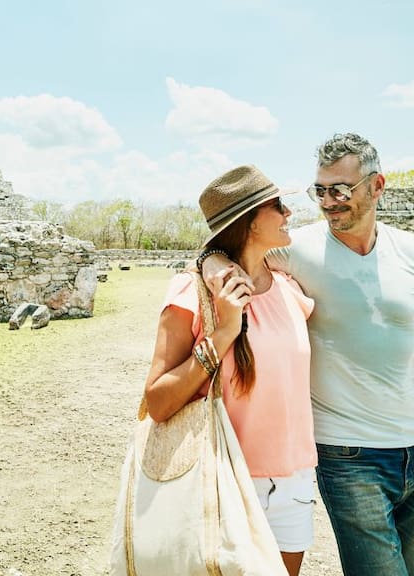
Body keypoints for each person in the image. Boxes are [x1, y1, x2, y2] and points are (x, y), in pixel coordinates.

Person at [199, 133, 414, 576]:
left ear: (377, 186)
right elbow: (223, 243)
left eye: (341, 189)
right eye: (320, 190)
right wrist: (215, 263)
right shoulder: (293, 249)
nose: (328, 201)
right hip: (346, 455)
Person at [143, 165, 316, 576]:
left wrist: (212, 257)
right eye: (278, 205)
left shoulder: (289, 288)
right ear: (249, 222)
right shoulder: (194, 291)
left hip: (295, 479)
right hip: (223, 478)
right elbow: (157, 401)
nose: (289, 213)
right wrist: (223, 333)